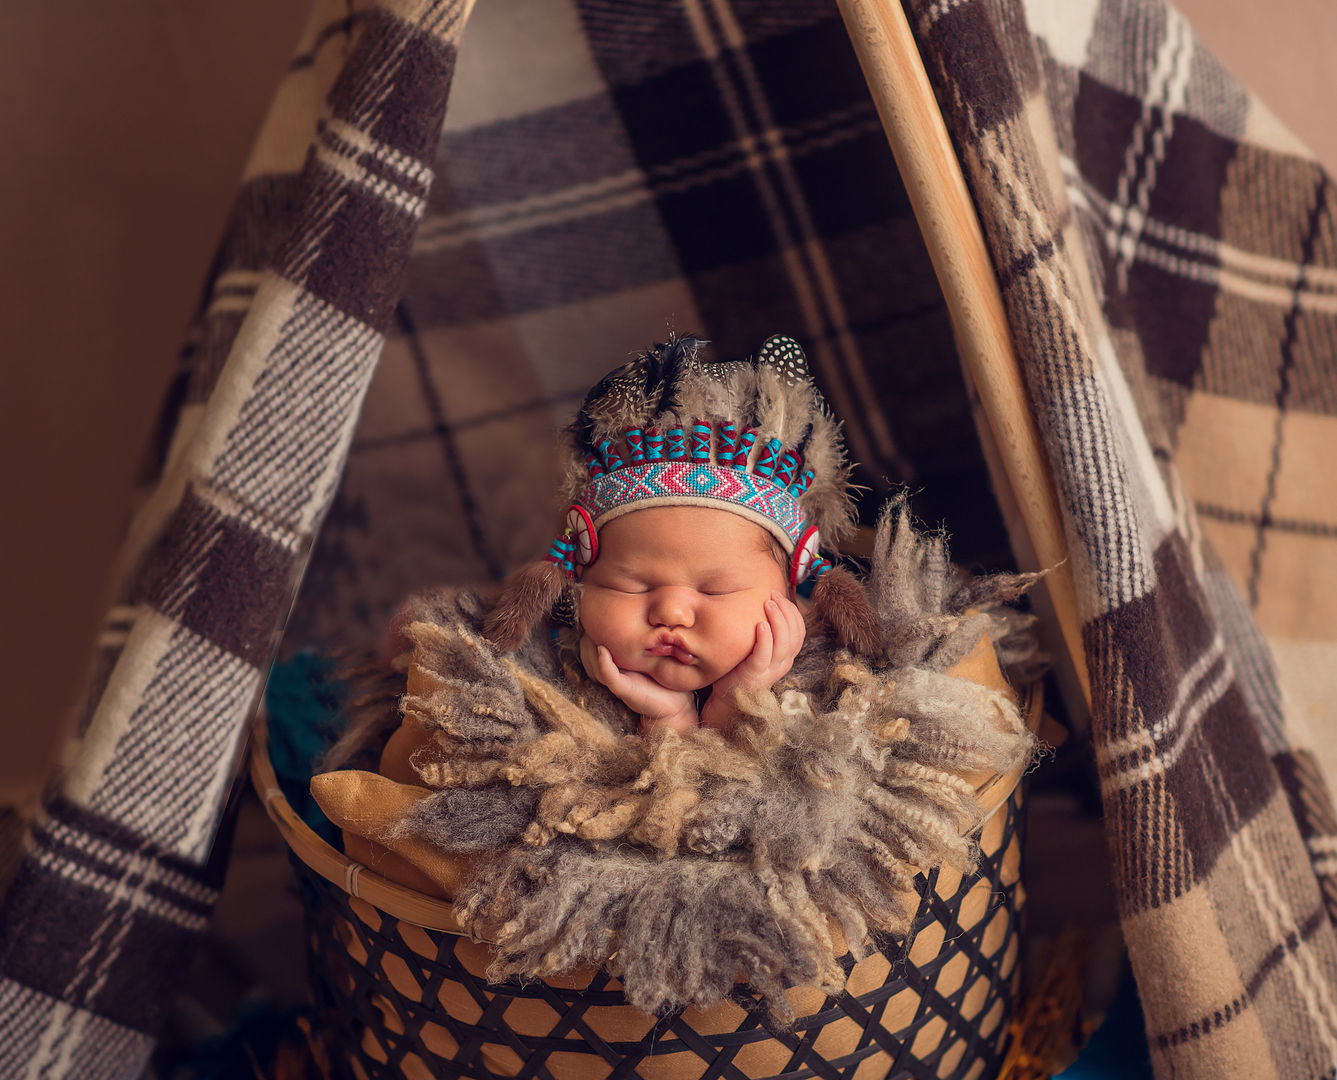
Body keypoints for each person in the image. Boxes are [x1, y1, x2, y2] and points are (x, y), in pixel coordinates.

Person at [481, 331, 881, 730]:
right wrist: (666, 717)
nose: (670, 613)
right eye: (632, 586)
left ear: (790, 593)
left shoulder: (833, 681)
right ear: (578, 577)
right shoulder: (541, 672)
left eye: (714, 590)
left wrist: (735, 702)